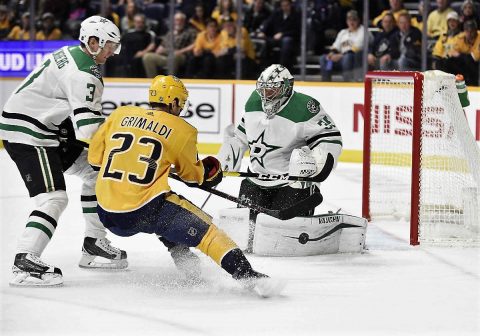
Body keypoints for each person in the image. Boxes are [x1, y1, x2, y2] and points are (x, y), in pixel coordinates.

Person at [87, 75, 285, 297]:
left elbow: (95, 161)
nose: (180, 108)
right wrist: (212, 173)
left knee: (166, 205)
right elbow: (193, 177)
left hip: (105, 211)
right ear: (172, 102)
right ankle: (247, 275)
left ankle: (186, 262)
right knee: (207, 231)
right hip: (143, 210)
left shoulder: (119, 114)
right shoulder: (182, 129)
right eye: (179, 102)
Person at [0, 16, 128, 287]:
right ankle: (25, 261)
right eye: (108, 46)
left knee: (96, 173)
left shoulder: (69, 53)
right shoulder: (84, 74)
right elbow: (89, 131)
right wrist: (121, 149)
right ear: (93, 42)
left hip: (46, 127)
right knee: (54, 199)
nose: (111, 52)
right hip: (30, 134)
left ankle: (93, 243)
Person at [217, 64, 342, 221]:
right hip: (255, 179)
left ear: (287, 87)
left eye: (272, 90)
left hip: (291, 183)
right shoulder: (253, 102)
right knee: (246, 228)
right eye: (263, 89)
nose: (266, 95)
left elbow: (330, 138)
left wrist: (320, 160)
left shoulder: (305, 107)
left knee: (285, 228)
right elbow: (242, 135)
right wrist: (230, 152)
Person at [319, 9, 365, 82]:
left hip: (355, 59)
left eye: (354, 20)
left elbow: (358, 47)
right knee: (324, 59)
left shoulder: (362, 31)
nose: (351, 22)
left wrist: (341, 55)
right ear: (347, 21)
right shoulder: (343, 32)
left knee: (348, 57)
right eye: (349, 20)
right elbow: (336, 45)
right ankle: (326, 82)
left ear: (358, 20)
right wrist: (332, 54)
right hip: (340, 58)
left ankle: (347, 82)